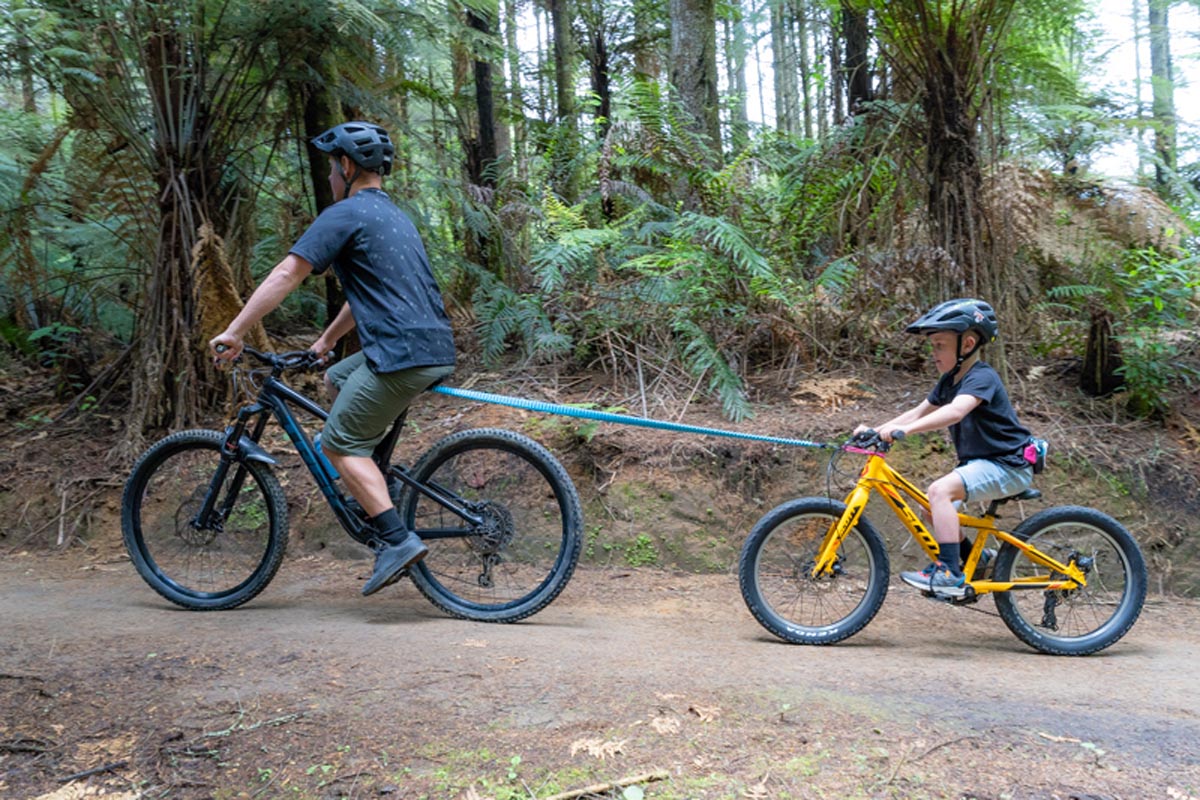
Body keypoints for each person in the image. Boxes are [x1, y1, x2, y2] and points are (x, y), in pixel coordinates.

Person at [210, 121, 457, 597]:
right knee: (338, 380)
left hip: (400, 355)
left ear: (346, 166)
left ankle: (395, 538)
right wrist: (324, 343)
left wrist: (236, 331)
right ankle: (374, 479)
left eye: (331, 168)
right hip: (429, 347)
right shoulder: (394, 217)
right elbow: (366, 294)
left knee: (337, 445)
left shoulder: (343, 214)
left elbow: (288, 273)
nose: (329, 178)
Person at [856, 298, 1034, 598]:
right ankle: (977, 560)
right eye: (933, 345)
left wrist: (905, 432)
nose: (933, 353)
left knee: (940, 491)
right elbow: (917, 412)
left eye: (940, 345)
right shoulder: (949, 381)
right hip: (981, 464)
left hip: (1008, 464)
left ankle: (950, 572)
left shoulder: (982, 377)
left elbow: (954, 413)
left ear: (967, 344)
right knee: (931, 507)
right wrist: (876, 430)